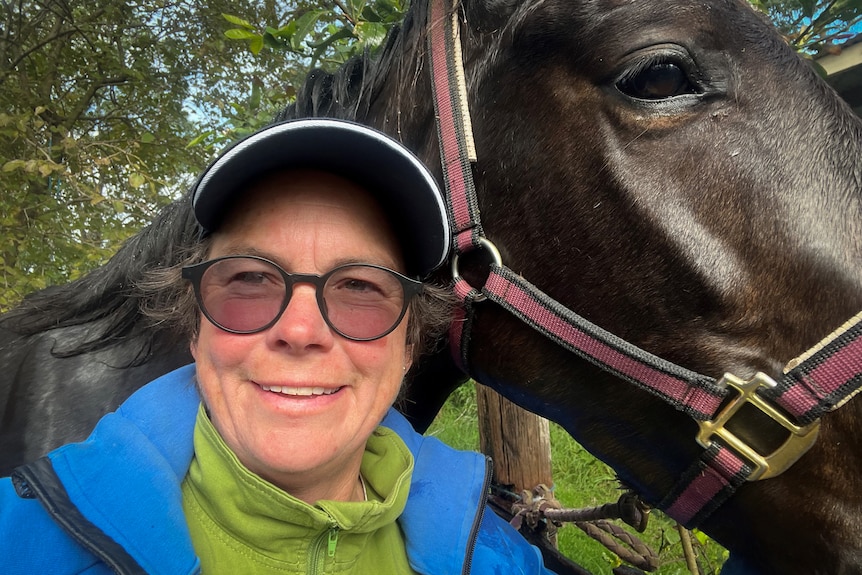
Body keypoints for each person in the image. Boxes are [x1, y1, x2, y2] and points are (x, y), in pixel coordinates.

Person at [0, 118, 558, 574]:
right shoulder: (20, 541)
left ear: (409, 343)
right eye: (249, 280)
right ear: (194, 325)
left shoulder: (501, 561)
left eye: (359, 287)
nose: (299, 331)